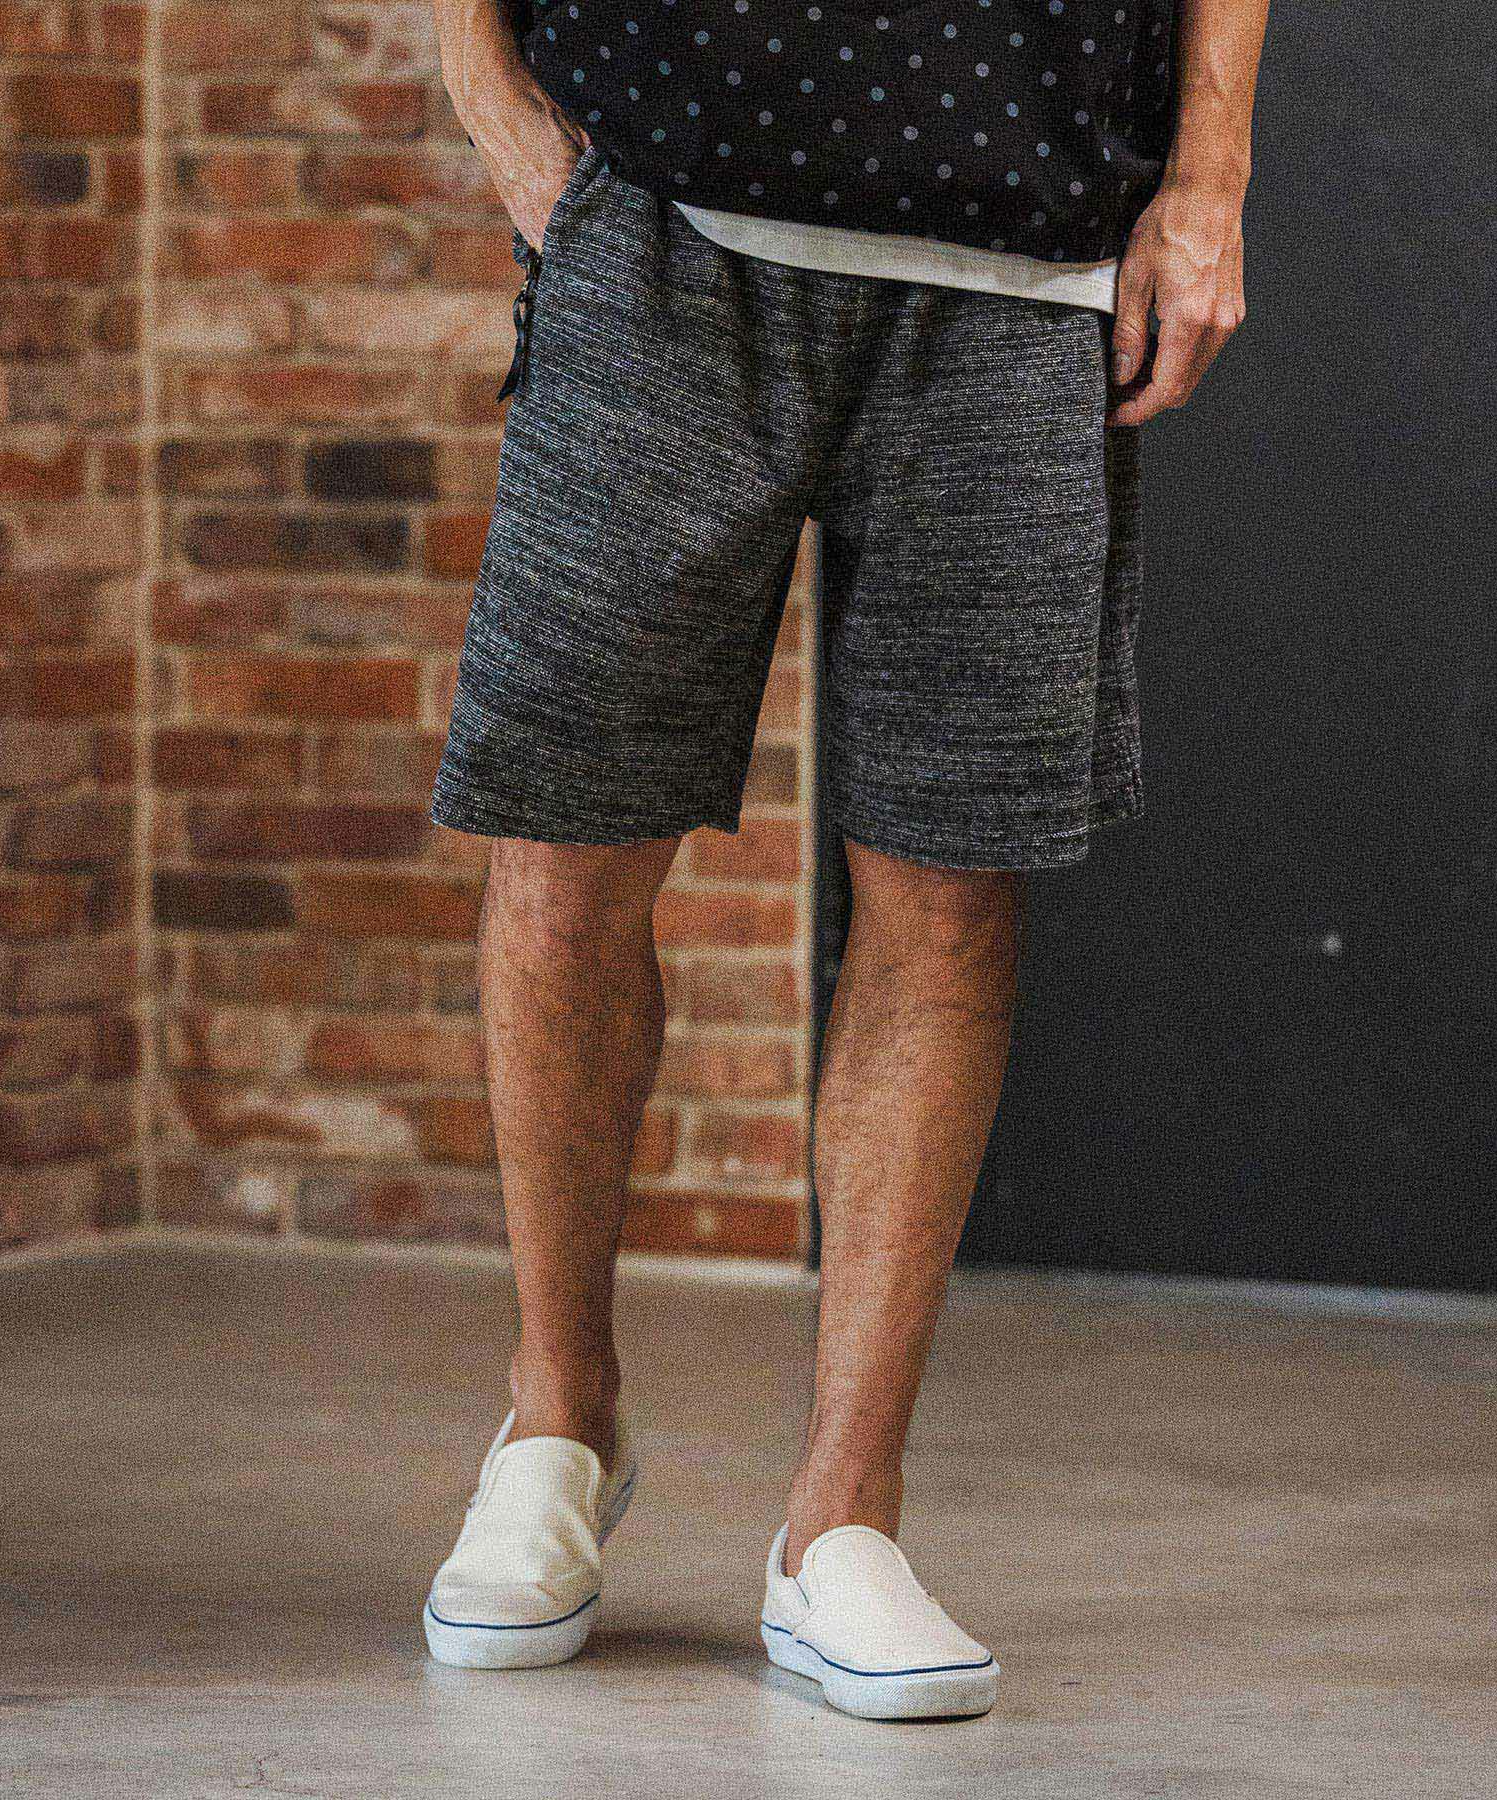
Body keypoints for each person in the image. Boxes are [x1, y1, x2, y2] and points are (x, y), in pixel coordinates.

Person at [422, 0, 1268, 1721]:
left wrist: (1210, 178)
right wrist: (485, 85)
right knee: (569, 846)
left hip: (1023, 248)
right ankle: (558, 1423)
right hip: (665, 212)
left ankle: (843, 1522)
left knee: (949, 886)